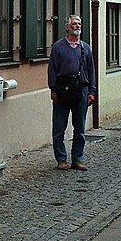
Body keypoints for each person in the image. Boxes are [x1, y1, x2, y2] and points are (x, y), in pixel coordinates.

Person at [47, 14, 96, 171]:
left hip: (81, 90)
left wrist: (91, 91)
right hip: (62, 90)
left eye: (79, 23)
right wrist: (53, 90)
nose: (77, 26)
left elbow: (91, 70)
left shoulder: (85, 48)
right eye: (74, 24)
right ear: (67, 27)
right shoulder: (58, 47)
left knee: (80, 127)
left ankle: (77, 158)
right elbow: (52, 70)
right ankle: (61, 159)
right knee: (59, 127)